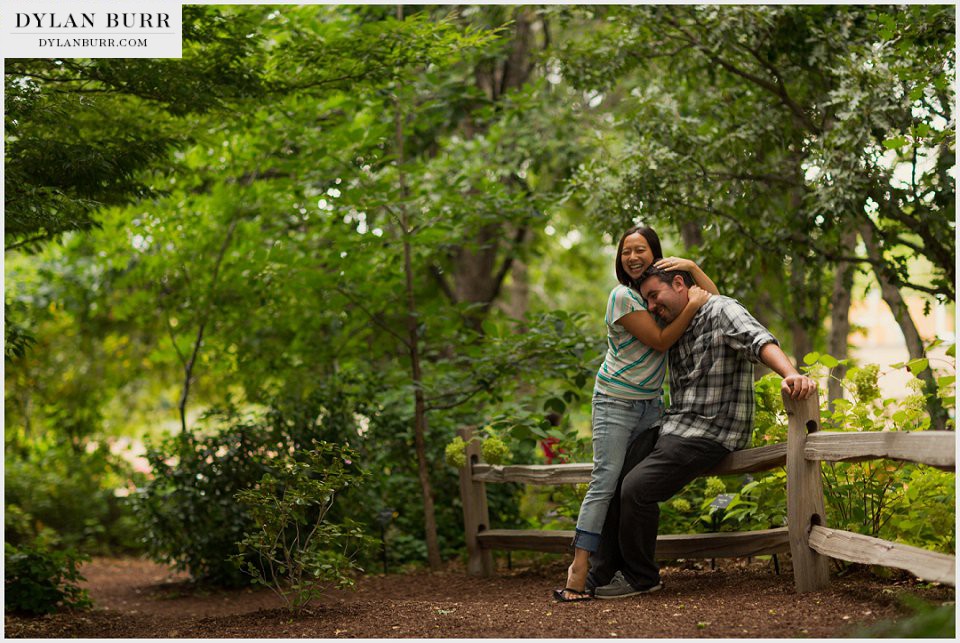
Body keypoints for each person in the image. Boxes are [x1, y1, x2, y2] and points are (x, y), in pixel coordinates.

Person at [585, 265, 817, 599]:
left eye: (654, 296)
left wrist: (791, 374)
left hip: (712, 430)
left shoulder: (722, 310)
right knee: (616, 475)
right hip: (674, 426)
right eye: (647, 300)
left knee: (637, 487)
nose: (651, 306)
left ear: (679, 283)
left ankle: (641, 578)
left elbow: (759, 340)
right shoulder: (673, 324)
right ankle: (604, 572)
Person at [553, 226, 719, 602]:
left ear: (655, 253)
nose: (632, 256)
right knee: (605, 482)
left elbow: (716, 300)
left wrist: (692, 267)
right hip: (615, 402)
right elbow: (661, 340)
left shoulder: (657, 295)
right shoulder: (622, 297)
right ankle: (578, 570)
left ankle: (617, 570)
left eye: (640, 249)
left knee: (631, 488)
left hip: (651, 407)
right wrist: (690, 304)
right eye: (626, 251)